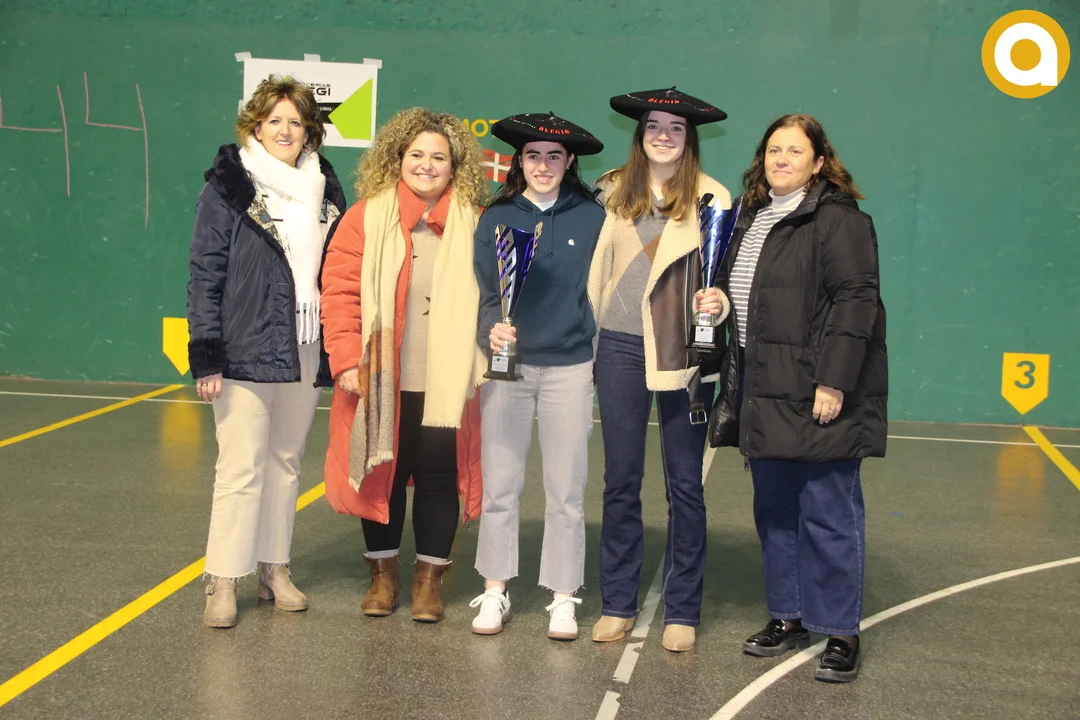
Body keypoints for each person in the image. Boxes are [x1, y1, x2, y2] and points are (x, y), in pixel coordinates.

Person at [708, 114, 887, 683]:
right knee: (776, 512)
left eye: (794, 151)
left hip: (817, 391)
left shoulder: (839, 220)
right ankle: (788, 617)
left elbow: (857, 302)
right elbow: (746, 293)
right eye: (773, 150)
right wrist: (718, 305)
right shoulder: (751, 216)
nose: (781, 159)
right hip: (760, 388)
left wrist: (833, 381)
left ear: (818, 162)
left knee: (829, 514)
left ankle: (840, 632)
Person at [186, 75, 347, 628]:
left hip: (304, 345)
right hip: (244, 348)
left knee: (285, 463)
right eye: (274, 120)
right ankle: (223, 579)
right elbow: (205, 272)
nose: (285, 130)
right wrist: (207, 355)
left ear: (310, 131)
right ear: (255, 126)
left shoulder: (325, 188)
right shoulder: (228, 186)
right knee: (240, 467)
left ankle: (274, 568)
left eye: (295, 122)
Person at [320, 107, 489, 623]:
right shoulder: (364, 217)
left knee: (439, 476)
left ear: (455, 166)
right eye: (416, 154)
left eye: (439, 157)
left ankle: (428, 580)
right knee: (383, 475)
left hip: (447, 381)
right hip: (379, 375)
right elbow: (341, 293)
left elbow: (495, 299)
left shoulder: (477, 222)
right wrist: (345, 360)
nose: (426, 165)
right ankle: (384, 575)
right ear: (397, 158)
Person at [586, 87, 731, 652]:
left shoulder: (714, 198)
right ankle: (617, 604)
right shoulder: (611, 191)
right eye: (653, 126)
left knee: (684, 485)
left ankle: (682, 610)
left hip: (681, 354)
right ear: (640, 133)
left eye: (675, 127)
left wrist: (719, 302)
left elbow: (725, 277)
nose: (663, 135)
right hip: (617, 349)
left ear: (689, 137)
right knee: (620, 481)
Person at [468, 113, 607, 640]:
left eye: (553, 156)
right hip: (509, 369)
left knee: (566, 490)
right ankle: (495, 589)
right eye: (533, 156)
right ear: (519, 161)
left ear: (569, 162)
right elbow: (487, 293)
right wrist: (491, 331)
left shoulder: (593, 217)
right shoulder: (497, 217)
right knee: (500, 483)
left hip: (570, 367)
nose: (543, 165)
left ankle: (564, 595)